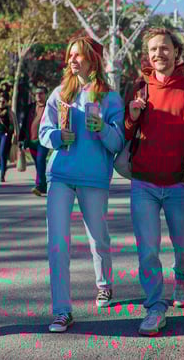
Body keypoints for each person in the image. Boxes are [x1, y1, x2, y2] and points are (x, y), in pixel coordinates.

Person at [38, 36, 125, 333]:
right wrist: (58, 137)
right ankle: (62, 310)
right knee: (57, 244)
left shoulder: (111, 98)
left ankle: (104, 285)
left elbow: (117, 143)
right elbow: (43, 132)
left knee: (98, 237)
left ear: (93, 60)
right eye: (71, 55)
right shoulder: (59, 93)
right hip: (60, 175)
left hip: (94, 177)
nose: (73, 60)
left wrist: (101, 128)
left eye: (80, 55)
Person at [123, 28, 184, 336]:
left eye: (165, 48)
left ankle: (182, 279)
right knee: (148, 250)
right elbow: (128, 134)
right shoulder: (140, 88)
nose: (159, 54)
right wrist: (131, 116)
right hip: (143, 183)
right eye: (153, 49)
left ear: (176, 52)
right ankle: (155, 306)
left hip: (178, 184)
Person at [19, 86, 50, 196]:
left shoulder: (49, 108)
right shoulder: (30, 107)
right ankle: (43, 185)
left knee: (41, 160)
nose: (38, 95)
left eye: (41, 93)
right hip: (31, 140)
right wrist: (21, 139)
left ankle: (40, 186)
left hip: (43, 140)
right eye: (36, 93)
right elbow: (24, 124)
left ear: (46, 94)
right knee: (38, 163)